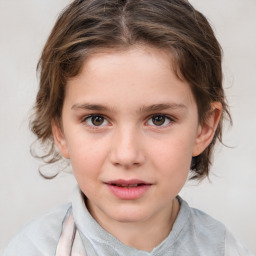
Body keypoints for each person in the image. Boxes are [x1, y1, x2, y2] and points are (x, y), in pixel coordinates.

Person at [3, 0, 254, 255]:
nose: (126, 155)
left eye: (159, 119)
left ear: (204, 127)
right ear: (59, 130)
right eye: (96, 119)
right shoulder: (31, 249)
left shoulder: (225, 250)